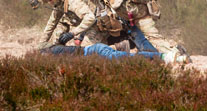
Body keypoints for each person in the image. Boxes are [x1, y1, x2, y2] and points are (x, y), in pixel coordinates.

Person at [41, 26, 190, 64]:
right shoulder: (56, 48)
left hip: (98, 53)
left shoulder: (54, 54)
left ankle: (167, 57)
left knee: (130, 58)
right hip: (96, 50)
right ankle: (166, 57)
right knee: (129, 57)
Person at [36, 0, 112, 48]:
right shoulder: (60, 3)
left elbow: (90, 18)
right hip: (85, 25)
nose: (50, 3)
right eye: (48, 1)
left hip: (97, 24)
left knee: (86, 50)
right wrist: (42, 43)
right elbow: (51, 24)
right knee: (56, 41)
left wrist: (72, 33)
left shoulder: (73, 0)